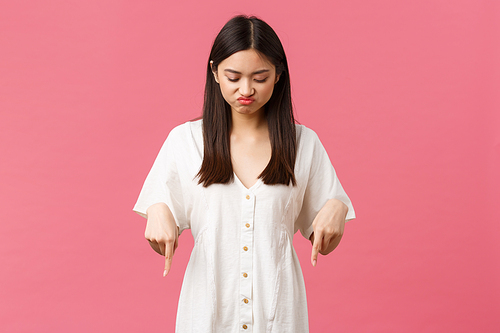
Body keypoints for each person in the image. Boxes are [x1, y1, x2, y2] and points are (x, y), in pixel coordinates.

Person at [133, 14, 355, 332]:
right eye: (233, 77)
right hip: (207, 316)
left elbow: (325, 243)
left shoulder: (304, 144)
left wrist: (337, 205)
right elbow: (160, 233)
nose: (246, 89)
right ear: (214, 72)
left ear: (278, 75)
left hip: (278, 317)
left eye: (260, 77)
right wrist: (156, 208)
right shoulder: (185, 142)